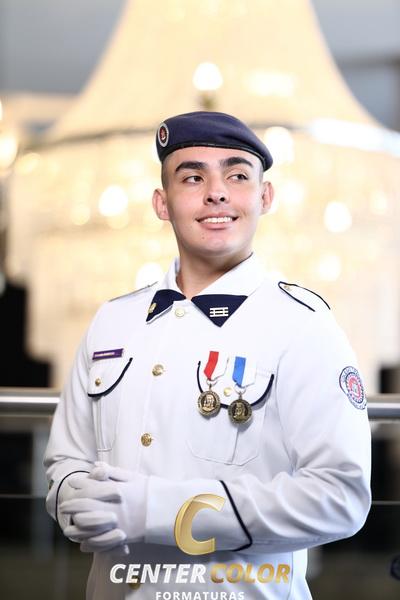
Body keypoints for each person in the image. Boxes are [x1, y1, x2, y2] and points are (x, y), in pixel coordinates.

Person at [44, 111, 371, 599]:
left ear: (265, 197)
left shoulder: (303, 325)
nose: (216, 192)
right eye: (192, 177)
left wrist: (159, 511)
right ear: (162, 203)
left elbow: (339, 497)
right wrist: (76, 503)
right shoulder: (112, 320)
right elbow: (65, 461)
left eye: (237, 176)